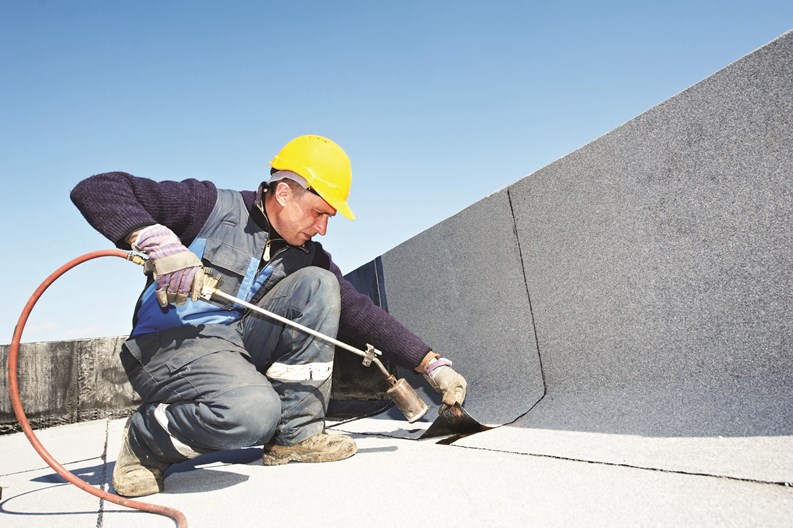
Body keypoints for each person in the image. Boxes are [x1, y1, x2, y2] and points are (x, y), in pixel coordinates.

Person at [70, 134, 468, 498]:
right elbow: (97, 189)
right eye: (318, 213)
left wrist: (432, 365)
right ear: (284, 193)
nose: (323, 228)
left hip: (234, 345)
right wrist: (156, 240)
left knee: (320, 284)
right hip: (171, 344)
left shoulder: (305, 254)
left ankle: (295, 436)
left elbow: (361, 313)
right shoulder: (209, 206)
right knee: (252, 414)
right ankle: (145, 439)